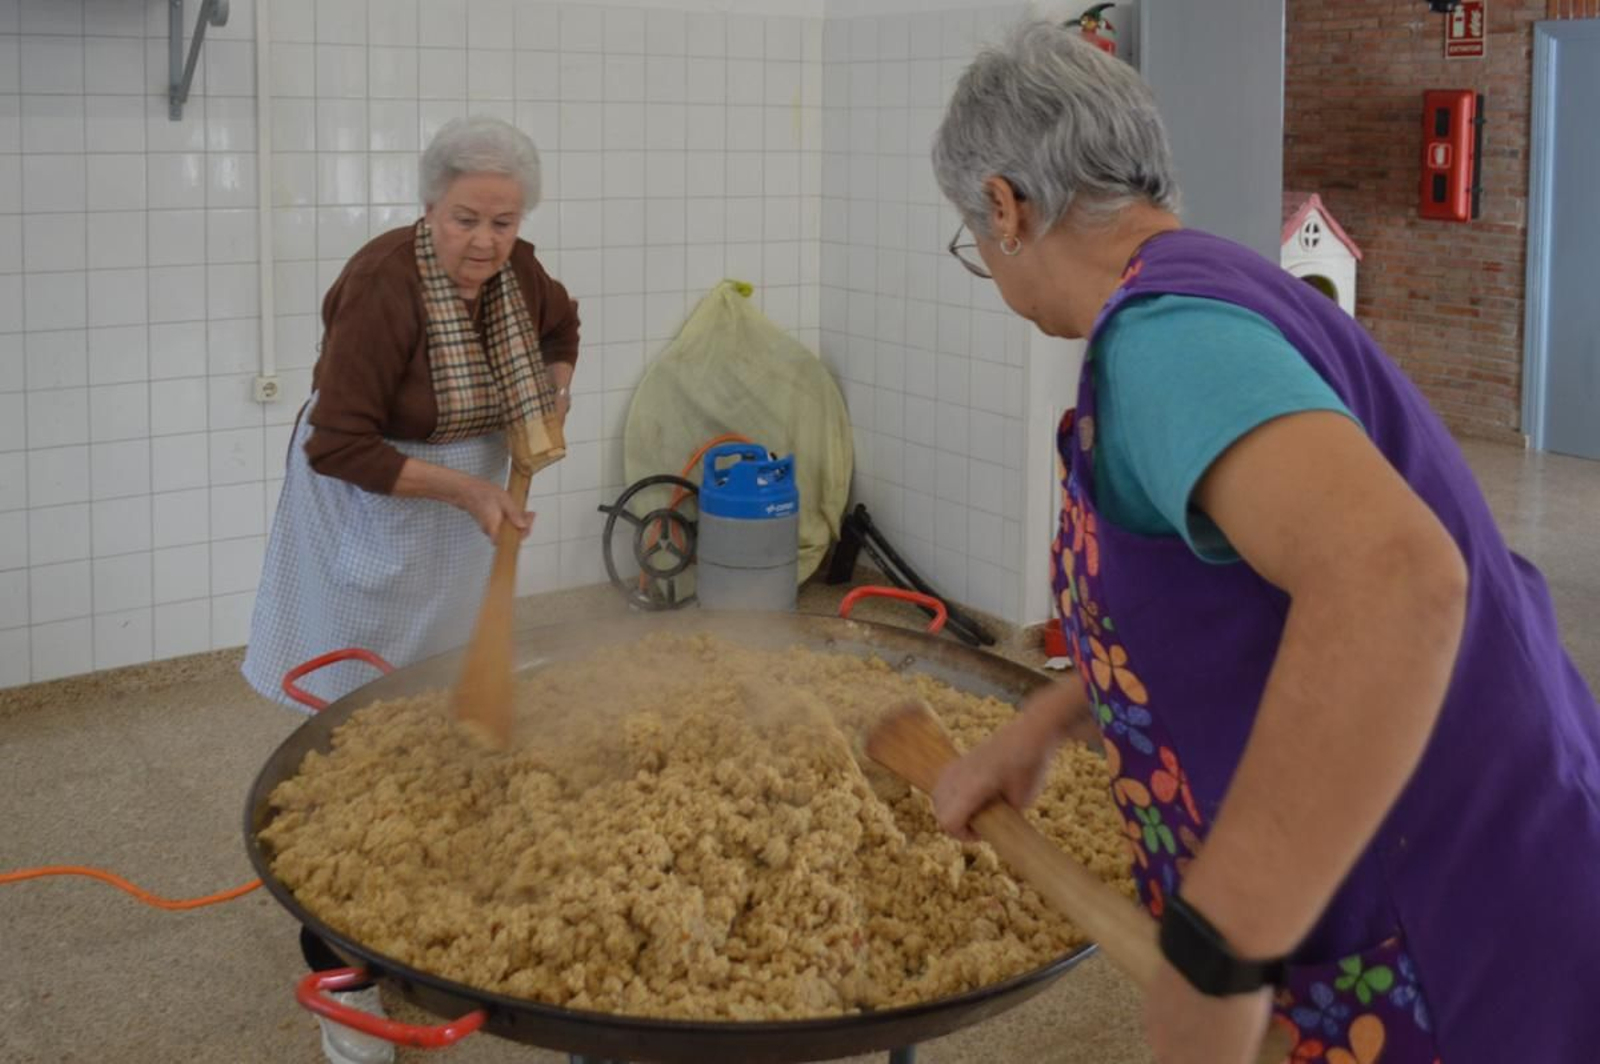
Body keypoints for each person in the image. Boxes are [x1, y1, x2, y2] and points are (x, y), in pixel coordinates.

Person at [927, 22, 1600, 1064]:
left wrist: (1221, 943)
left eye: (974, 238)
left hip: (1450, 908)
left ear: (1006, 208)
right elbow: (1233, 599)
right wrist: (1047, 723)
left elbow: (1396, 577)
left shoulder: (1164, 342)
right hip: (1488, 828)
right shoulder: (1209, 284)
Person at [242, 115, 579, 1064]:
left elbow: (563, 326)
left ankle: (435, 895)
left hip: (458, 512)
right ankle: (346, 980)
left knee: (439, 694)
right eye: (466, 217)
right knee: (354, 719)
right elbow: (337, 442)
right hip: (373, 504)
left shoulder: (522, 274)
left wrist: (550, 392)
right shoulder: (385, 285)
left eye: (503, 222)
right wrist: (469, 487)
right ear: (429, 206)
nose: (485, 242)